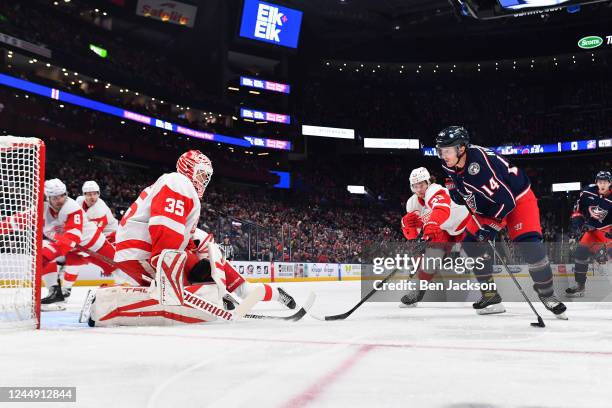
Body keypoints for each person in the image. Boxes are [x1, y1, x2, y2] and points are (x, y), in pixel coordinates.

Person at [100, 150, 294, 325]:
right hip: (145, 252)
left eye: (207, 176)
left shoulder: (178, 189)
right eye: (201, 173)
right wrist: (166, 265)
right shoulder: (179, 182)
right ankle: (224, 291)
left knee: (209, 254)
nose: (204, 180)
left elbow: (178, 232)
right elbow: (166, 225)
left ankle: (248, 290)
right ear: (188, 168)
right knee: (207, 270)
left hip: (137, 253)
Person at [435, 126, 567, 318]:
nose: (442, 155)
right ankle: (490, 296)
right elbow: (458, 184)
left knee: (530, 246)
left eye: (446, 150)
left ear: (461, 148)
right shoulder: (450, 162)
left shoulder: (479, 167)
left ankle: (548, 295)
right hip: (488, 204)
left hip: (517, 198)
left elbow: (506, 201)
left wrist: (491, 227)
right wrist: (455, 190)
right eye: (440, 150)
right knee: (471, 244)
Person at [399, 167, 469, 307]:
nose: (419, 189)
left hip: (463, 224)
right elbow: (413, 234)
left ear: (428, 182)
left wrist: (430, 226)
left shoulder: (436, 190)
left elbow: (440, 210)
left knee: (477, 257)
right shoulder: (412, 203)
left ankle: (489, 293)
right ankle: (418, 291)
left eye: (422, 185)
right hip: (443, 230)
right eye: (415, 186)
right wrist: (407, 226)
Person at [566, 171, 611, 297]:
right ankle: (580, 286)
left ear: (610, 183)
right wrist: (577, 227)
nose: (602, 184)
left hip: (608, 230)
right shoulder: (587, 192)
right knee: (580, 253)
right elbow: (577, 211)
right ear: (596, 182)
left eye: (605, 182)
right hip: (592, 230)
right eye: (600, 182)